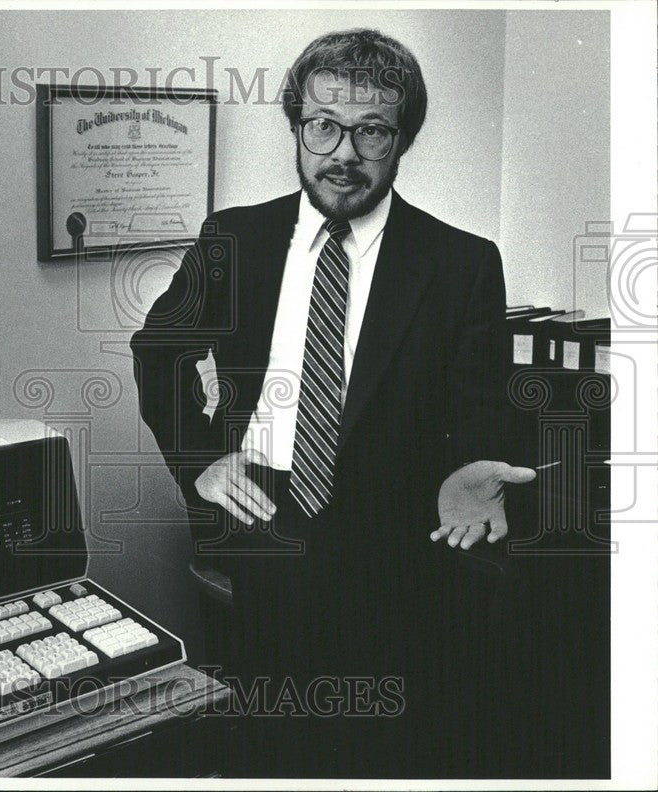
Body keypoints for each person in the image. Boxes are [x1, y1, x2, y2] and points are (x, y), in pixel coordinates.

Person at [130, 29, 535, 777]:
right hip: (265, 523)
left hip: (401, 542)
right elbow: (160, 351)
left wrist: (473, 467)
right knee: (271, 742)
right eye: (323, 126)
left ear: (401, 139)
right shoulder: (235, 237)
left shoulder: (461, 262)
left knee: (386, 747)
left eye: (371, 130)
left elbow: (480, 400)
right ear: (298, 127)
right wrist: (201, 458)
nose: (342, 152)